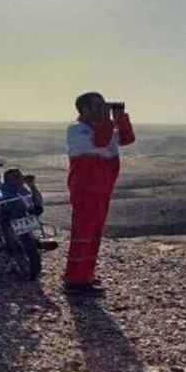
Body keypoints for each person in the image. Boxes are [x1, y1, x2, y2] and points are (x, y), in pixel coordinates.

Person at [63, 92, 135, 296]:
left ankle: (85, 275)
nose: (103, 109)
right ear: (84, 109)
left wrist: (120, 118)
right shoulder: (77, 129)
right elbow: (101, 142)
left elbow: (127, 139)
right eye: (98, 106)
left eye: (104, 106)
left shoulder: (102, 127)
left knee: (94, 233)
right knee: (83, 233)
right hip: (86, 188)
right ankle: (74, 281)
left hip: (102, 187)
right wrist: (107, 120)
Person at [0, 168, 59, 251]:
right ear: (8, 180)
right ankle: (34, 244)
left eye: (21, 176)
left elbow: (37, 202)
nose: (21, 179)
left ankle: (34, 243)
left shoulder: (22, 189)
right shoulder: (4, 190)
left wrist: (32, 186)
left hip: (25, 215)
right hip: (12, 217)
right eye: (16, 177)